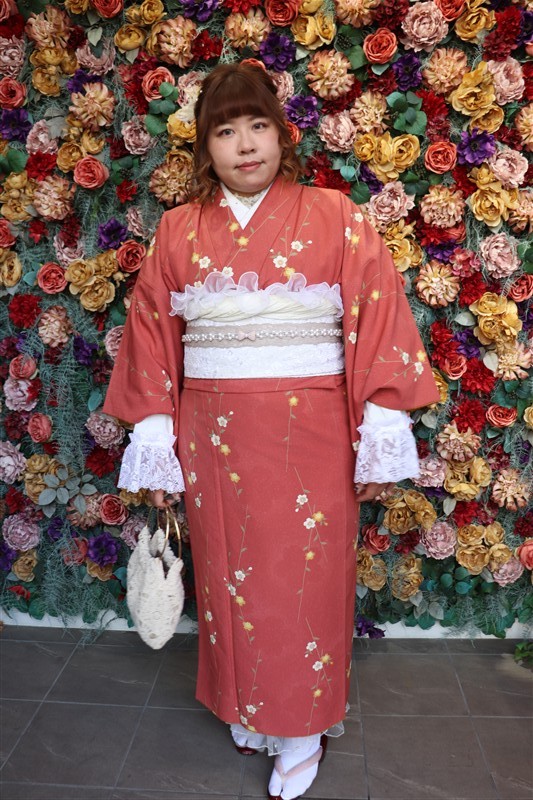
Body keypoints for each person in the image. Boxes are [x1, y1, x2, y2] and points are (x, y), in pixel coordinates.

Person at [103, 63, 440, 800]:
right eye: (226, 131)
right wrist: (155, 437)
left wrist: (380, 426)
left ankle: (302, 729)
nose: (246, 145)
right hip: (212, 434)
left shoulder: (336, 215)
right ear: (205, 148)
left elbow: (378, 315)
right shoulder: (179, 229)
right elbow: (153, 338)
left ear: (283, 136)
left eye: (258, 126)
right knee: (229, 578)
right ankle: (250, 706)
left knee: (302, 581)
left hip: (311, 433)